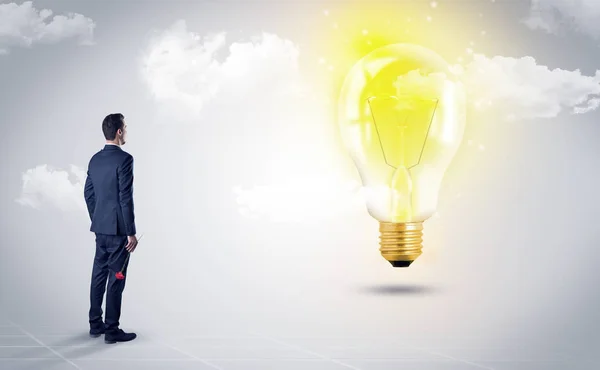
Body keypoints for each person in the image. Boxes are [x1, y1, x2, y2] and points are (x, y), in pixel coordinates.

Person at [84, 113, 138, 344]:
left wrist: (98, 219)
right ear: (118, 131)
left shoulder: (94, 160)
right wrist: (131, 232)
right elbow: (126, 198)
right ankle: (111, 330)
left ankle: (95, 325)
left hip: (101, 229)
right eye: (125, 127)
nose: (126, 131)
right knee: (116, 277)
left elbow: (88, 194)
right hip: (118, 231)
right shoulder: (125, 159)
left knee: (98, 275)